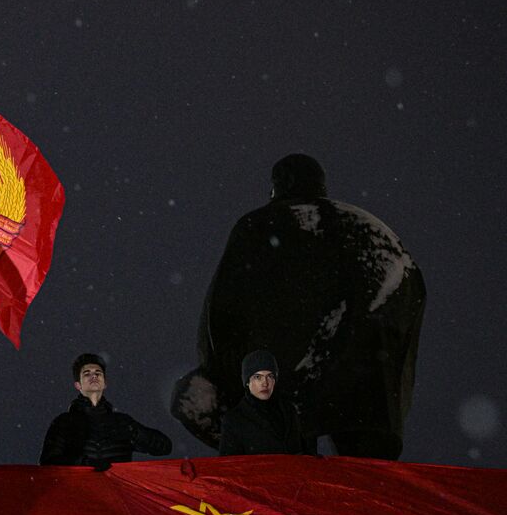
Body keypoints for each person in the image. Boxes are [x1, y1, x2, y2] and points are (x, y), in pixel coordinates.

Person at [172, 153, 425, 458]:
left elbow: (223, 314)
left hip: (296, 382)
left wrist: (225, 373)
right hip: (372, 383)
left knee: (288, 461)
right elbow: (411, 298)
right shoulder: (376, 231)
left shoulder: (258, 226)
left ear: (278, 186)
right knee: (370, 472)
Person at [39, 353, 172, 469]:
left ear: (105, 383)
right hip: (78, 492)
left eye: (98, 373)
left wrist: (134, 432)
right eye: (87, 374)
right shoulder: (64, 422)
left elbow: (164, 447)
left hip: (116, 492)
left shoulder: (122, 422)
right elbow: (48, 462)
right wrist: (84, 463)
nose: (94, 376)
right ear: (78, 385)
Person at [218, 351, 312, 456]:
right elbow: (228, 467)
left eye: (270, 376)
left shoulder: (289, 411)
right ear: (247, 382)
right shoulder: (234, 420)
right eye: (258, 377)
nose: (265, 383)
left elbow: (305, 453)